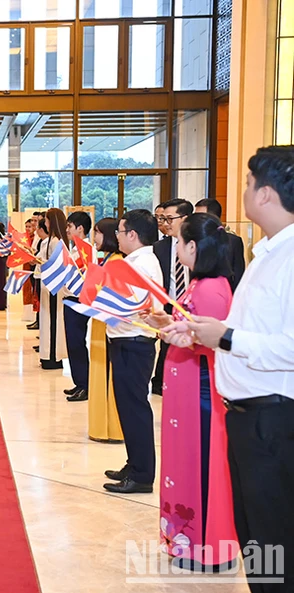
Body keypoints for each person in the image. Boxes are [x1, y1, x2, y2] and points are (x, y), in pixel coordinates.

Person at [165, 146, 294, 590]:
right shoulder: (268, 254)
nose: (244, 192)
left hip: (273, 416)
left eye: (248, 183)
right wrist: (202, 333)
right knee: (257, 537)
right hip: (247, 416)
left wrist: (224, 337)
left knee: (274, 539)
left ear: (266, 194)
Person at [143, 213, 236, 572]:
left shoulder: (212, 288)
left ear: (193, 246)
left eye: (180, 241)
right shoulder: (199, 283)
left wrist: (180, 332)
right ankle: (187, 542)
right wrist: (167, 322)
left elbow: (208, 340)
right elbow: (190, 327)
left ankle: (207, 548)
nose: (176, 246)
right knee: (184, 464)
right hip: (186, 389)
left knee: (200, 466)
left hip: (200, 392)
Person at [103, 209, 164, 494]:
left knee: (135, 409)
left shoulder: (142, 264)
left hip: (134, 341)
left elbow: (131, 305)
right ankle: (135, 463)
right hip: (127, 340)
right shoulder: (135, 261)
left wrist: (99, 298)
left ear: (133, 234)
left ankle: (142, 475)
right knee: (127, 409)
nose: (116, 236)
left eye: (119, 231)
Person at [152, 198, 194, 395]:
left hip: (193, 305)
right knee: (167, 346)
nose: (166, 224)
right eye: (163, 219)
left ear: (185, 218)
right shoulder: (159, 247)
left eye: (170, 219)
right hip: (169, 304)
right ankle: (162, 383)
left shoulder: (197, 244)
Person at [87, 218, 124, 442]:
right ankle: (101, 425)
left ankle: (110, 427)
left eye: (98, 233)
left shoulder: (116, 262)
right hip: (101, 323)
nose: (94, 238)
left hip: (108, 325)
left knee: (108, 374)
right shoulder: (108, 260)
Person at [63, 211, 94, 400]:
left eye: (70, 226)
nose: (67, 230)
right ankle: (79, 381)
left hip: (78, 300)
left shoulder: (86, 249)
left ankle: (85, 384)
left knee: (77, 342)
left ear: (80, 228)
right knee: (72, 343)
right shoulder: (75, 249)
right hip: (69, 299)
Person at [37, 208, 68, 370]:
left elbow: (55, 264)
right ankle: (47, 354)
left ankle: (53, 355)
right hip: (47, 284)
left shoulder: (56, 241)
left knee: (52, 320)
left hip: (53, 286)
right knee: (47, 320)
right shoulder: (50, 240)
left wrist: (39, 261)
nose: (46, 224)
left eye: (47, 221)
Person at [194, 198, 246, 292]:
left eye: (200, 217)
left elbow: (238, 275)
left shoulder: (233, 241)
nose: (195, 221)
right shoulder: (193, 241)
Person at [31, 217, 49, 339]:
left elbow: (47, 260)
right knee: (40, 303)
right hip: (39, 274)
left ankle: (44, 333)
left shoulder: (50, 242)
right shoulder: (43, 242)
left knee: (44, 306)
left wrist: (37, 260)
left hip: (45, 277)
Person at [22, 216, 40, 324]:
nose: (29, 228)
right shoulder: (26, 238)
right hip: (27, 264)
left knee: (34, 290)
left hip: (35, 266)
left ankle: (35, 315)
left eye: (34, 221)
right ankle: (29, 313)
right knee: (27, 288)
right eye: (27, 226)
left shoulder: (37, 237)